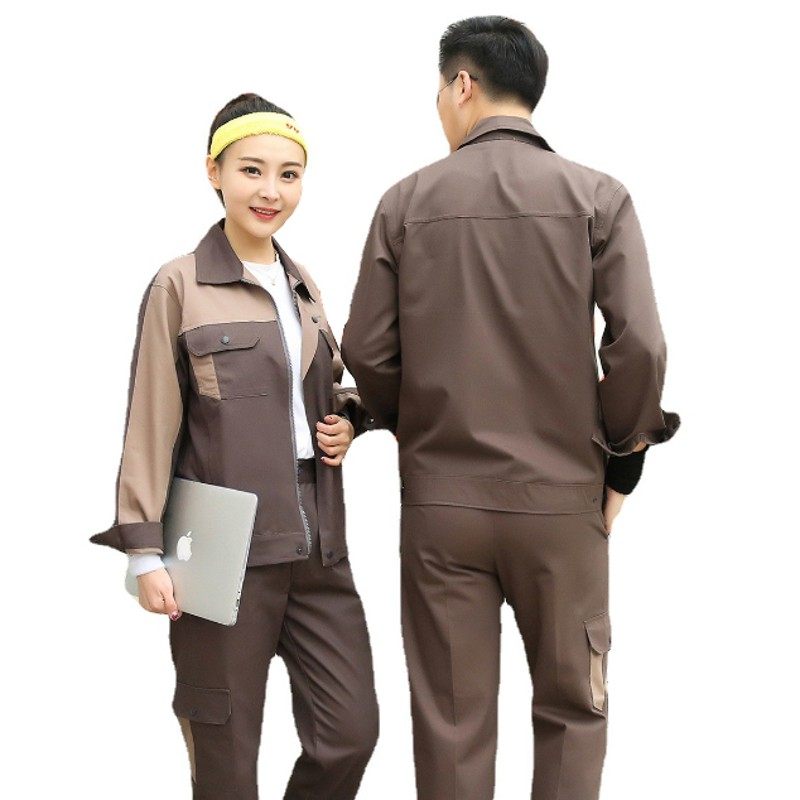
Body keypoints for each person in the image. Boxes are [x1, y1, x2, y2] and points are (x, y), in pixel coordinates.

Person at [341, 16, 680, 800]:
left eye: (440, 88)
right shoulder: (598, 197)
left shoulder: (404, 202)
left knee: (452, 724)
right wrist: (623, 462)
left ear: (462, 85)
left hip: (441, 506)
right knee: (572, 711)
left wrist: (411, 424)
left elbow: (367, 347)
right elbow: (639, 346)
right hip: (562, 502)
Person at [89, 92, 379, 799]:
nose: (270, 190)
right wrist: (144, 550)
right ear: (213, 172)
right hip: (222, 555)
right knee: (225, 756)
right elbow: (152, 417)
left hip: (318, 546)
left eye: (289, 174)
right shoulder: (180, 285)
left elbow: (319, 391)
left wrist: (352, 419)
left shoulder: (304, 285)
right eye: (252, 170)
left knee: (350, 732)